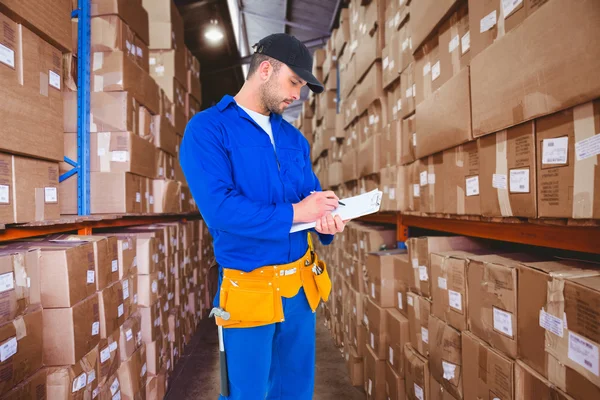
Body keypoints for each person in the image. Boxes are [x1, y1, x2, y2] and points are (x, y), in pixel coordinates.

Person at [179, 33, 347, 400]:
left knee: (296, 390)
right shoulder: (208, 129)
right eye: (294, 82)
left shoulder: (293, 139)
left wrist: (328, 221)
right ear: (265, 69)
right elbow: (220, 210)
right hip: (249, 288)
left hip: (300, 290)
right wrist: (296, 213)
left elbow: (311, 198)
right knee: (250, 392)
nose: (297, 95)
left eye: (302, 86)